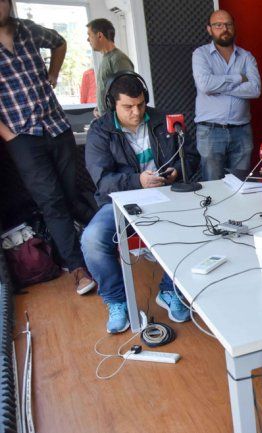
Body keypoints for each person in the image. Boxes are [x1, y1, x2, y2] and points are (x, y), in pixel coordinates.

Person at [82, 72, 198, 333]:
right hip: (121, 200)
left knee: (194, 225)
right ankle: (117, 301)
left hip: (166, 195)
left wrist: (178, 171)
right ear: (113, 104)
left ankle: (170, 291)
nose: (136, 112)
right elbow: (102, 180)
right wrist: (137, 181)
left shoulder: (163, 120)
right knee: (92, 239)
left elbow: (191, 156)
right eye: (128, 107)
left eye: (141, 105)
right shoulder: (100, 131)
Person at [0, 0, 96, 294]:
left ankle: (101, 247)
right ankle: (78, 268)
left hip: (57, 126)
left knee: (70, 196)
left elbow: (60, 42)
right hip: (22, 136)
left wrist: (54, 74)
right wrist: (9, 136)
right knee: (51, 202)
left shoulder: (28, 30)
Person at [192, 9, 261, 181]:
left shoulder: (246, 57)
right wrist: (238, 78)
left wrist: (219, 85)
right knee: (212, 186)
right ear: (209, 29)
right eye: (218, 25)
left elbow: (255, 89)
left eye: (228, 24)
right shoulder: (200, 54)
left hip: (241, 131)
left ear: (234, 27)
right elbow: (205, 85)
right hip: (210, 131)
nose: (224, 28)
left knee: (240, 184)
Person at [86, 18, 134, 117]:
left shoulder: (118, 59)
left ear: (99, 35)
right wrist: (100, 108)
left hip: (116, 120)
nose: (88, 39)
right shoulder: (106, 58)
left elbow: (127, 94)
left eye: (89, 35)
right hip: (107, 118)